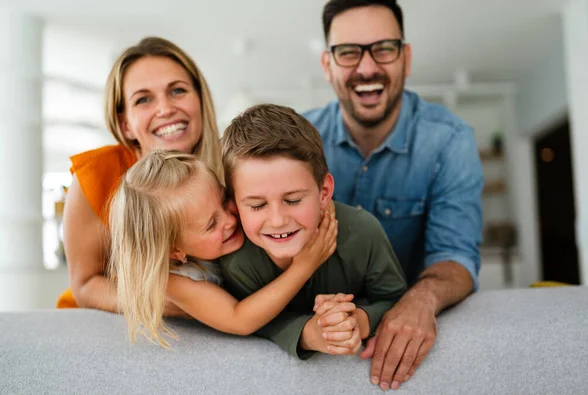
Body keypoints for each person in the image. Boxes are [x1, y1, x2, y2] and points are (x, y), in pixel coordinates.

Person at [302, 0, 484, 390]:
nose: (367, 68)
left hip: (408, 346)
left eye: (383, 49)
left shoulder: (450, 141)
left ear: (406, 57)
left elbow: (456, 257)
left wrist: (422, 300)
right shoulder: (298, 140)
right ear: (327, 65)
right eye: (348, 52)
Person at [219, 104, 407, 359]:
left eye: (293, 200)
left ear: (324, 192)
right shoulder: (237, 259)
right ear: (234, 205)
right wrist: (307, 333)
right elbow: (251, 320)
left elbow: (396, 299)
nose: (276, 220)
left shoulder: (363, 232)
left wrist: (358, 320)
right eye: (257, 205)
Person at [56, 37, 223, 313]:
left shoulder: (234, 168)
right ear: (126, 124)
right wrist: (183, 305)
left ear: (201, 101)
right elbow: (85, 285)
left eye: (178, 91)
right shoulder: (98, 175)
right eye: (144, 99)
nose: (166, 109)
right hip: (104, 323)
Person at [108, 149, 338, 347]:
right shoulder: (174, 281)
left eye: (224, 198)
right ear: (175, 251)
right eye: (211, 224)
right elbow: (239, 320)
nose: (229, 220)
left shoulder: (224, 231)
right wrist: (303, 267)